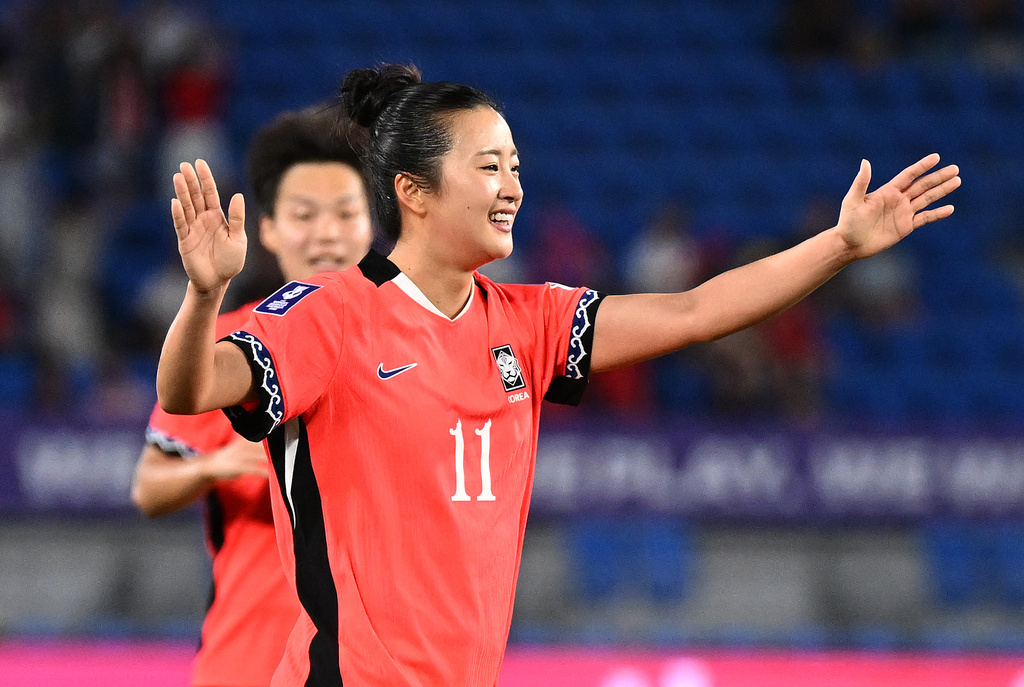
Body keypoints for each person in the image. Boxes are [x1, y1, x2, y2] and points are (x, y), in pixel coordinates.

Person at [155, 64, 960, 686]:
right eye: (490, 167)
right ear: (414, 192)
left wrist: (841, 245)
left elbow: (694, 312)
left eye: (515, 165)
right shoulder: (329, 315)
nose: (515, 187)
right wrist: (202, 295)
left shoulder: (529, 322)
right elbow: (189, 392)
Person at [132, 105, 373, 687]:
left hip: (372, 663)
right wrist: (216, 465)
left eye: (346, 213)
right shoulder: (222, 350)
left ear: (374, 224)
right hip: (248, 660)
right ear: (267, 229)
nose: (327, 233)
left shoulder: (411, 344)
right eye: (304, 215)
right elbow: (148, 488)